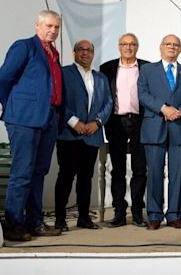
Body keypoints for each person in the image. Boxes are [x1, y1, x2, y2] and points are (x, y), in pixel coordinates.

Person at [0, 10, 63, 241]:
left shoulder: (53, 53)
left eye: (56, 27)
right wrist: (11, 105)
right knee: (22, 173)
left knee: (39, 173)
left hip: (48, 119)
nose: (53, 30)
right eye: (49, 26)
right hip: (24, 119)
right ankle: (14, 224)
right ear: (37, 25)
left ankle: (35, 222)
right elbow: (3, 78)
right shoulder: (24, 46)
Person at [137, 34, 181, 230]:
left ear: (180, 50)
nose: (172, 47)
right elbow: (142, 94)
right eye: (168, 44)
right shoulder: (147, 70)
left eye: (176, 45)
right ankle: (154, 215)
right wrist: (164, 108)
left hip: (179, 127)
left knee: (176, 174)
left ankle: (174, 214)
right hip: (154, 127)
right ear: (161, 47)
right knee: (154, 173)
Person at [54, 40, 113, 231]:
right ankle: (60, 219)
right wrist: (74, 122)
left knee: (86, 178)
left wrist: (97, 122)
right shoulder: (64, 74)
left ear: (93, 54)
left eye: (89, 50)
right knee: (65, 177)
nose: (85, 53)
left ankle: (84, 218)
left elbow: (108, 103)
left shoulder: (101, 78)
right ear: (74, 53)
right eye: (81, 49)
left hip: (92, 135)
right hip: (69, 135)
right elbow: (58, 101)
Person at [100, 33, 149, 228]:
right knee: (117, 169)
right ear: (119, 47)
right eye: (124, 44)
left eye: (132, 44)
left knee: (139, 169)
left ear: (137, 47)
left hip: (140, 122)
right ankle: (119, 212)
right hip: (116, 122)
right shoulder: (107, 68)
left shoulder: (147, 67)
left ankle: (137, 212)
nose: (128, 47)